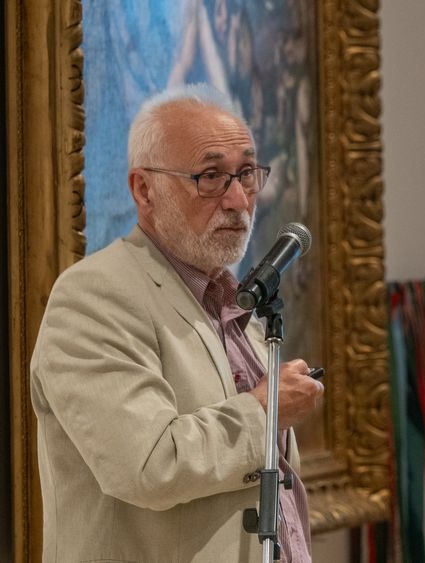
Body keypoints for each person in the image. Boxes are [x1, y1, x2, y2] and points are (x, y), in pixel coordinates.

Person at [30, 84, 324, 561]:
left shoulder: (234, 303)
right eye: (211, 177)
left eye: (246, 174)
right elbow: (148, 464)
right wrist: (265, 411)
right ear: (144, 189)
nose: (238, 200)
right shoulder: (93, 296)